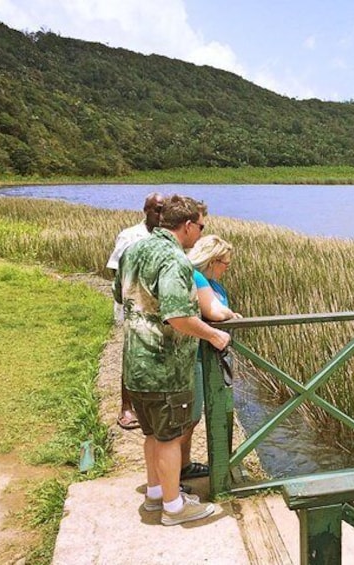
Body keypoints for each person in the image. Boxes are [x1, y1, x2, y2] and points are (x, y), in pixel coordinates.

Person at [114, 194, 231, 526]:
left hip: (134, 361)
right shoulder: (174, 259)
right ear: (189, 225)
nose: (201, 233)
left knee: (152, 434)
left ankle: (154, 495)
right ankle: (174, 507)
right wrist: (213, 335)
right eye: (201, 226)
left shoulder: (134, 250)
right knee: (168, 438)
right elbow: (178, 315)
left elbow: (119, 294)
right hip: (165, 366)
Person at [181, 235, 242, 480]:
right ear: (212, 260)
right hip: (196, 356)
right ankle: (176, 475)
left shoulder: (212, 282)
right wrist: (231, 314)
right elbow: (214, 312)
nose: (227, 268)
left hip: (212, 356)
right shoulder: (195, 277)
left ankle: (185, 467)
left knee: (197, 417)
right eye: (225, 263)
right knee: (190, 417)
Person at [106, 192, 165, 431]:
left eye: (164, 210)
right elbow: (115, 271)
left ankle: (150, 407)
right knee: (133, 356)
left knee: (155, 355)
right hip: (133, 307)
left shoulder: (166, 237)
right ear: (146, 210)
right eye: (156, 209)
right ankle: (126, 408)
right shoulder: (130, 236)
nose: (161, 215)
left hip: (156, 309)